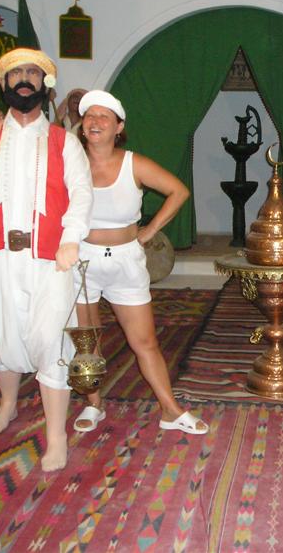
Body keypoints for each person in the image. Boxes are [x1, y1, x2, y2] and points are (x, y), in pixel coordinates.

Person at [0, 48, 93, 472]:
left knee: (51, 339)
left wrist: (71, 239)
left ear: (45, 84)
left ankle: (56, 436)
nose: (24, 79)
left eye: (33, 73)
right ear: (4, 84)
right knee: (0, 336)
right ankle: (8, 403)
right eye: (15, 73)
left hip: (51, 258)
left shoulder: (64, 141)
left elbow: (81, 193)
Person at [71, 90, 208, 435]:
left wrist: (149, 231)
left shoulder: (134, 164)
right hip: (82, 261)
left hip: (125, 262)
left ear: (119, 127)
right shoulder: (70, 162)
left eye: (104, 116)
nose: (95, 121)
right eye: (89, 116)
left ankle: (170, 410)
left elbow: (178, 191)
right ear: (82, 125)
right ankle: (93, 403)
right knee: (86, 340)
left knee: (144, 341)